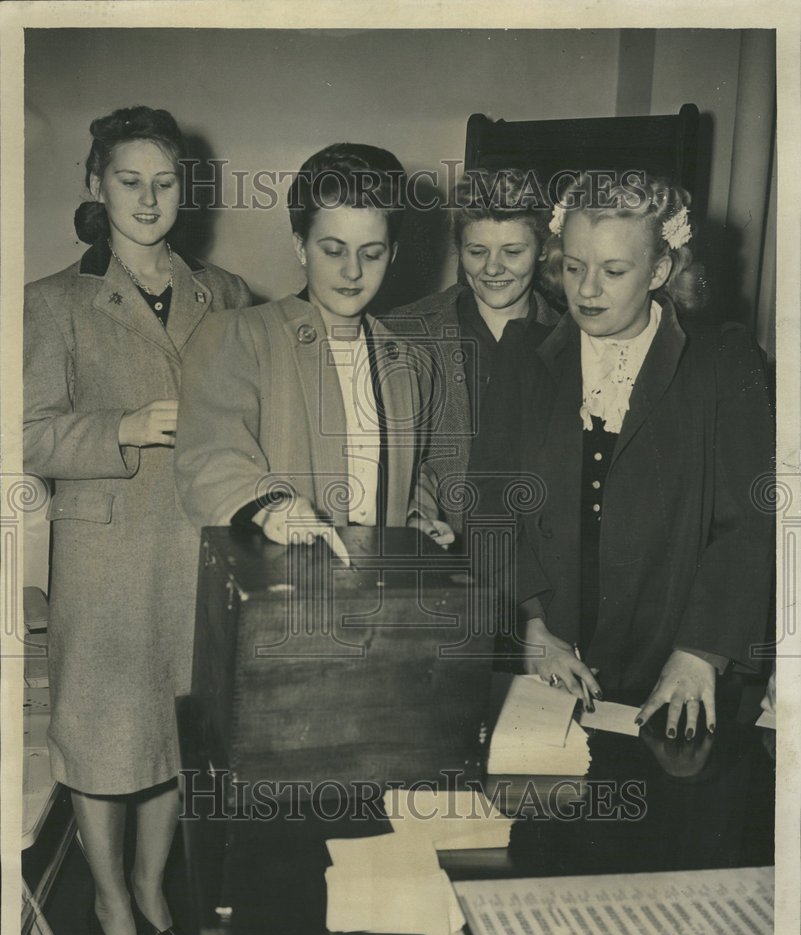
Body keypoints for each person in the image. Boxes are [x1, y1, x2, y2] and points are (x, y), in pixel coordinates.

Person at [23, 106, 252, 935]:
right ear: (95, 186)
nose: (150, 198)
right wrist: (124, 425)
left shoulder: (224, 294)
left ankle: (153, 882)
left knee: (174, 729)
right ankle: (109, 893)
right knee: (104, 730)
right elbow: (25, 434)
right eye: (130, 180)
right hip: (105, 554)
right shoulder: (52, 303)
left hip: (200, 546)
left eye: (165, 182)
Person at [475, 172, 773, 736]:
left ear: (659, 271)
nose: (587, 291)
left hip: (673, 669)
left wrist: (700, 653)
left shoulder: (724, 363)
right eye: (573, 267)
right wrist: (532, 626)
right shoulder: (521, 356)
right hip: (546, 663)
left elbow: (749, 524)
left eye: (613, 272)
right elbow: (489, 503)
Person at [174, 143, 435, 553]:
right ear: (300, 247)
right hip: (278, 587)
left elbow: (416, 470)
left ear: (394, 254)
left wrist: (420, 518)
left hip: (378, 591)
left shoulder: (407, 362)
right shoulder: (239, 336)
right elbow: (210, 456)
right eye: (333, 251)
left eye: (372, 253)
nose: (352, 271)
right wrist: (273, 508)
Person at [386, 168, 561, 548]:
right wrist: (417, 515)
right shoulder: (402, 333)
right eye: (476, 251)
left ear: (544, 249)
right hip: (438, 557)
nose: (493, 268)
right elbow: (393, 460)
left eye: (513, 252)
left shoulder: (574, 343)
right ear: (457, 248)